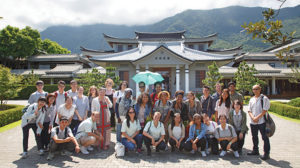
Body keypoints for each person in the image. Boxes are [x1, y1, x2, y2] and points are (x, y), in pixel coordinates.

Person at [247, 85, 271, 160]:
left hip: (262, 122)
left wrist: (257, 118)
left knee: (265, 137)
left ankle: (266, 153)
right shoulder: (252, 99)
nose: (255, 90)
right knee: (254, 136)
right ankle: (255, 150)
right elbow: (249, 110)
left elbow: (265, 110)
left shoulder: (264, 98)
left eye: (256, 89)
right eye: (253, 89)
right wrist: (253, 118)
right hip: (253, 121)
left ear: (260, 89)